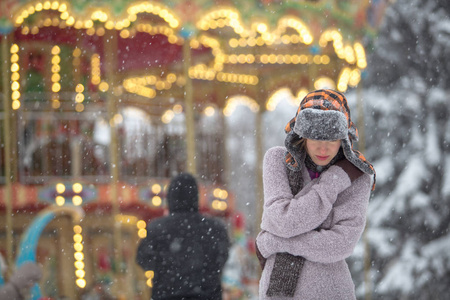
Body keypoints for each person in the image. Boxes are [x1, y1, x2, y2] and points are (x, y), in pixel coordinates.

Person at [255, 89, 376, 299]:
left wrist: (276, 242)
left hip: (331, 292)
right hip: (278, 294)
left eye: (331, 139)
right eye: (315, 138)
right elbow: (285, 222)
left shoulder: (356, 177)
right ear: (302, 136)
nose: (323, 148)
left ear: (343, 138)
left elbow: (339, 245)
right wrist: (332, 183)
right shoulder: (278, 162)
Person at [136, 173, 230, 300]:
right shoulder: (215, 228)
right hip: (207, 295)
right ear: (196, 196)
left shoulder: (156, 228)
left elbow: (143, 259)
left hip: (167, 294)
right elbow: (222, 257)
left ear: (170, 197)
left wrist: (166, 269)